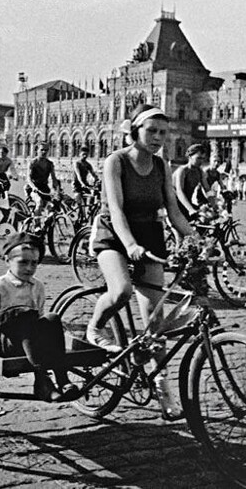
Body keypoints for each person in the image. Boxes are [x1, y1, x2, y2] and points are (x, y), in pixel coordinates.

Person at [87, 104, 195, 420]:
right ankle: (96, 326)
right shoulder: (116, 162)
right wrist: (130, 244)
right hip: (114, 234)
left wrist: (192, 238)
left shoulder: (162, 166)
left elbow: (174, 211)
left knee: (156, 321)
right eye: (152, 131)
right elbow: (117, 210)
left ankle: (162, 389)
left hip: (149, 233)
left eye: (163, 132)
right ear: (135, 131)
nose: (158, 138)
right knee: (120, 291)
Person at [0, 232, 79, 402]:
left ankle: (62, 378)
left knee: (51, 318)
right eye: (23, 262)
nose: (29, 268)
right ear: (7, 261)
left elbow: (40, 318)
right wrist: (6, 317)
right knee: (23, 318)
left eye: (34, 263)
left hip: (27, 341)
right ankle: (42, 380)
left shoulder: (37, 287)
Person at [173, 143, 212, 220]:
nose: (201, 161)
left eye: (203, 158)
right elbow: (180, 191)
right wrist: (190, 209)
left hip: (187, 203)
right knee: (183, 230)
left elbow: (207, 190)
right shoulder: (182, 170)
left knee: (205, 220)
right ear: (190, 156)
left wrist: (215, 205)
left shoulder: (200, 171)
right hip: (173, 205)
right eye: (198, 158)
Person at [28, 142, 61, 215]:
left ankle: (47, 225)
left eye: (46, 150)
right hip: (34, 189)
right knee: (39, 202)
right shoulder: (33, 163)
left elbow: (53, 178)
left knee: (52, 206)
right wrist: (33, 187)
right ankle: (37, 224)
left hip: (45, 188)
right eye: (42, 150)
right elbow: (29, 178)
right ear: (37, 150)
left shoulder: (50, 164)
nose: (44, 152)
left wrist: (57, 189)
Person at [72, 145, 99, 220]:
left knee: (94, 193)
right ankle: (78, 217)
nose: (84, 156)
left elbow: (93, 174)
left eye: (86, 155)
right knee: (80, 203)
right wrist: (82, 184)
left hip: (85, 184)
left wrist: (97, 180)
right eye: (83, 154)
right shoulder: (77, 163)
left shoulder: (88, 165)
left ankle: (90, 210)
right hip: (77, 185)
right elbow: (78, 175)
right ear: (79, 154)